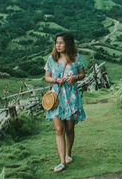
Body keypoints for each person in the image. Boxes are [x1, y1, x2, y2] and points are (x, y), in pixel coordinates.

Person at [44, 32, 86, 173]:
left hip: (72, 98)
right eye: (57, 43)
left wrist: (75, 77)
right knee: (59, 129)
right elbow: (47, 77)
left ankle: (68, 154)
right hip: (56, 98)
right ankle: (62, 162)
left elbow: (82, 74)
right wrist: (56, 80)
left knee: (69, 129)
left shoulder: (76, 58)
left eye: (61, 43)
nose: (58, 45)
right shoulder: (52, 59)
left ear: (68, 43)